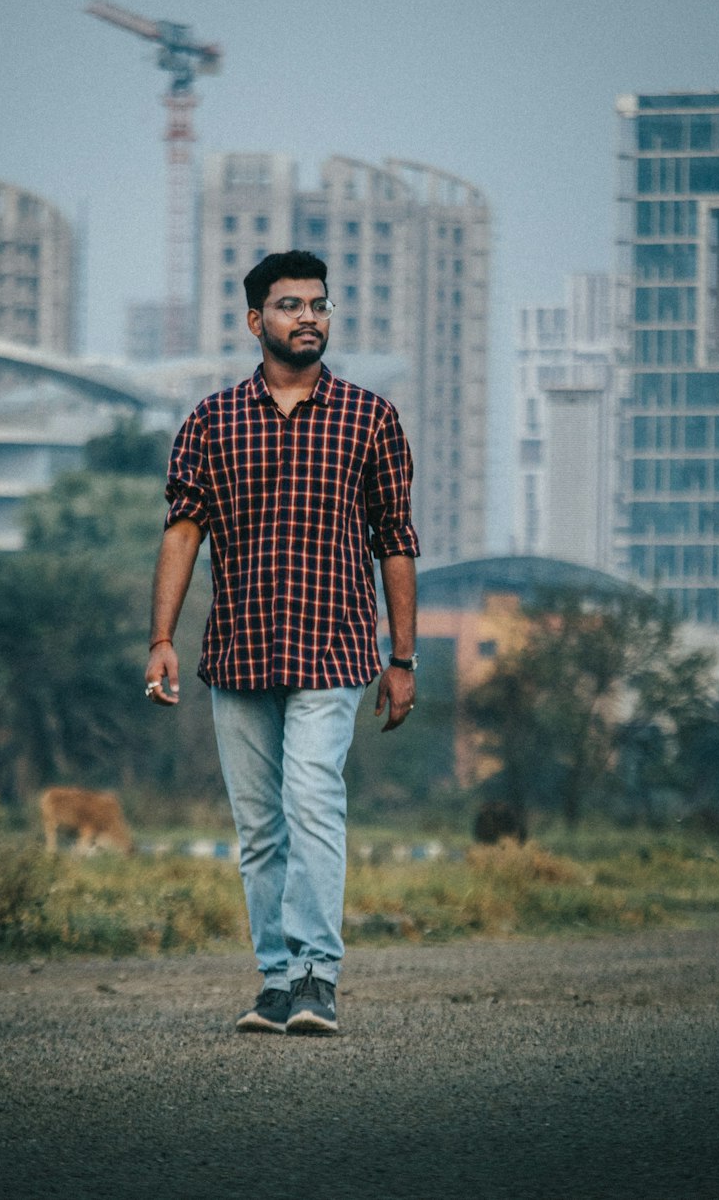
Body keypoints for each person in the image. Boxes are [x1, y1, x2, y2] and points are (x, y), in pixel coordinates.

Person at [145, 250, 419, 1034]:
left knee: (313, 799)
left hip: (334, 649)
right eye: (291, 304)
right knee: (260, 824)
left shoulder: (370, 418)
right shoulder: (211, 420)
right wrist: (162, 638)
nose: (309, 317)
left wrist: (403, 658)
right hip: (239, 649)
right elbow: (183, 529)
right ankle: (274, 979)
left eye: (319, 304)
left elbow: (394, 540)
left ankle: (316, 976)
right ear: (255, 320)